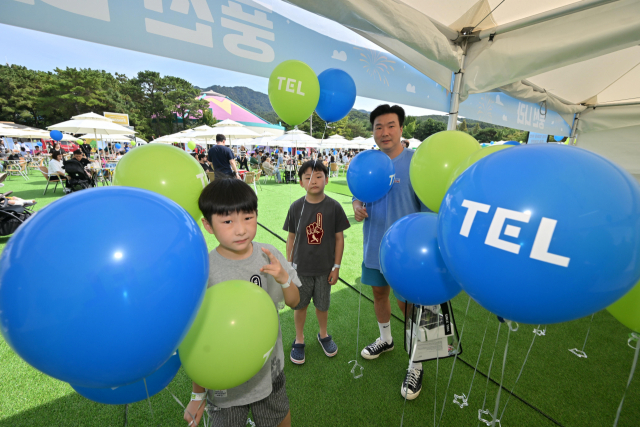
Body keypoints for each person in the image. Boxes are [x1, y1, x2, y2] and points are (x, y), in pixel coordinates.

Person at [184, 179, 300, 427]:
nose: (241, 229)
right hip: (224, 379)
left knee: (279, 420)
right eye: (227, 222)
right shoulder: (203, 269)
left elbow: (294, 301)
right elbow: (195, 340)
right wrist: (198, 393)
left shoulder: (268, 254)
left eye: (248, 217)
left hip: (270, 370)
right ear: (208, 225)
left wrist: (284, 279)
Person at [353, 104, 428, 401]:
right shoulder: (366, 162)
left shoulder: (415, 162)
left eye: (390, 125)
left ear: (401, 129)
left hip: (405, 252)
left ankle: (417, 362)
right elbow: (359, 195)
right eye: (378, 127)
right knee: (379, 295)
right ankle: (386, 339)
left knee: (407, 306)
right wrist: (357, 205)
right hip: (374, 244)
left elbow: (426, 209)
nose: (384, 132)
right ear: (372, 131)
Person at [283, 160, 350, 364]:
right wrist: (289, 266)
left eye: (319, 176)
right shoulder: (295, 207)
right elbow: (291, 239)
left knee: (322, 305)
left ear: (327, 180)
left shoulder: (334, 207)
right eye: (308, 177)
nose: (314, 180)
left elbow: (339, 239)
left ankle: (323, 334)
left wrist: (336, 267)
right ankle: (299, 338)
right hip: (301, 269)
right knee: (300, 306)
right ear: (301, 182)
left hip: (325, 270)